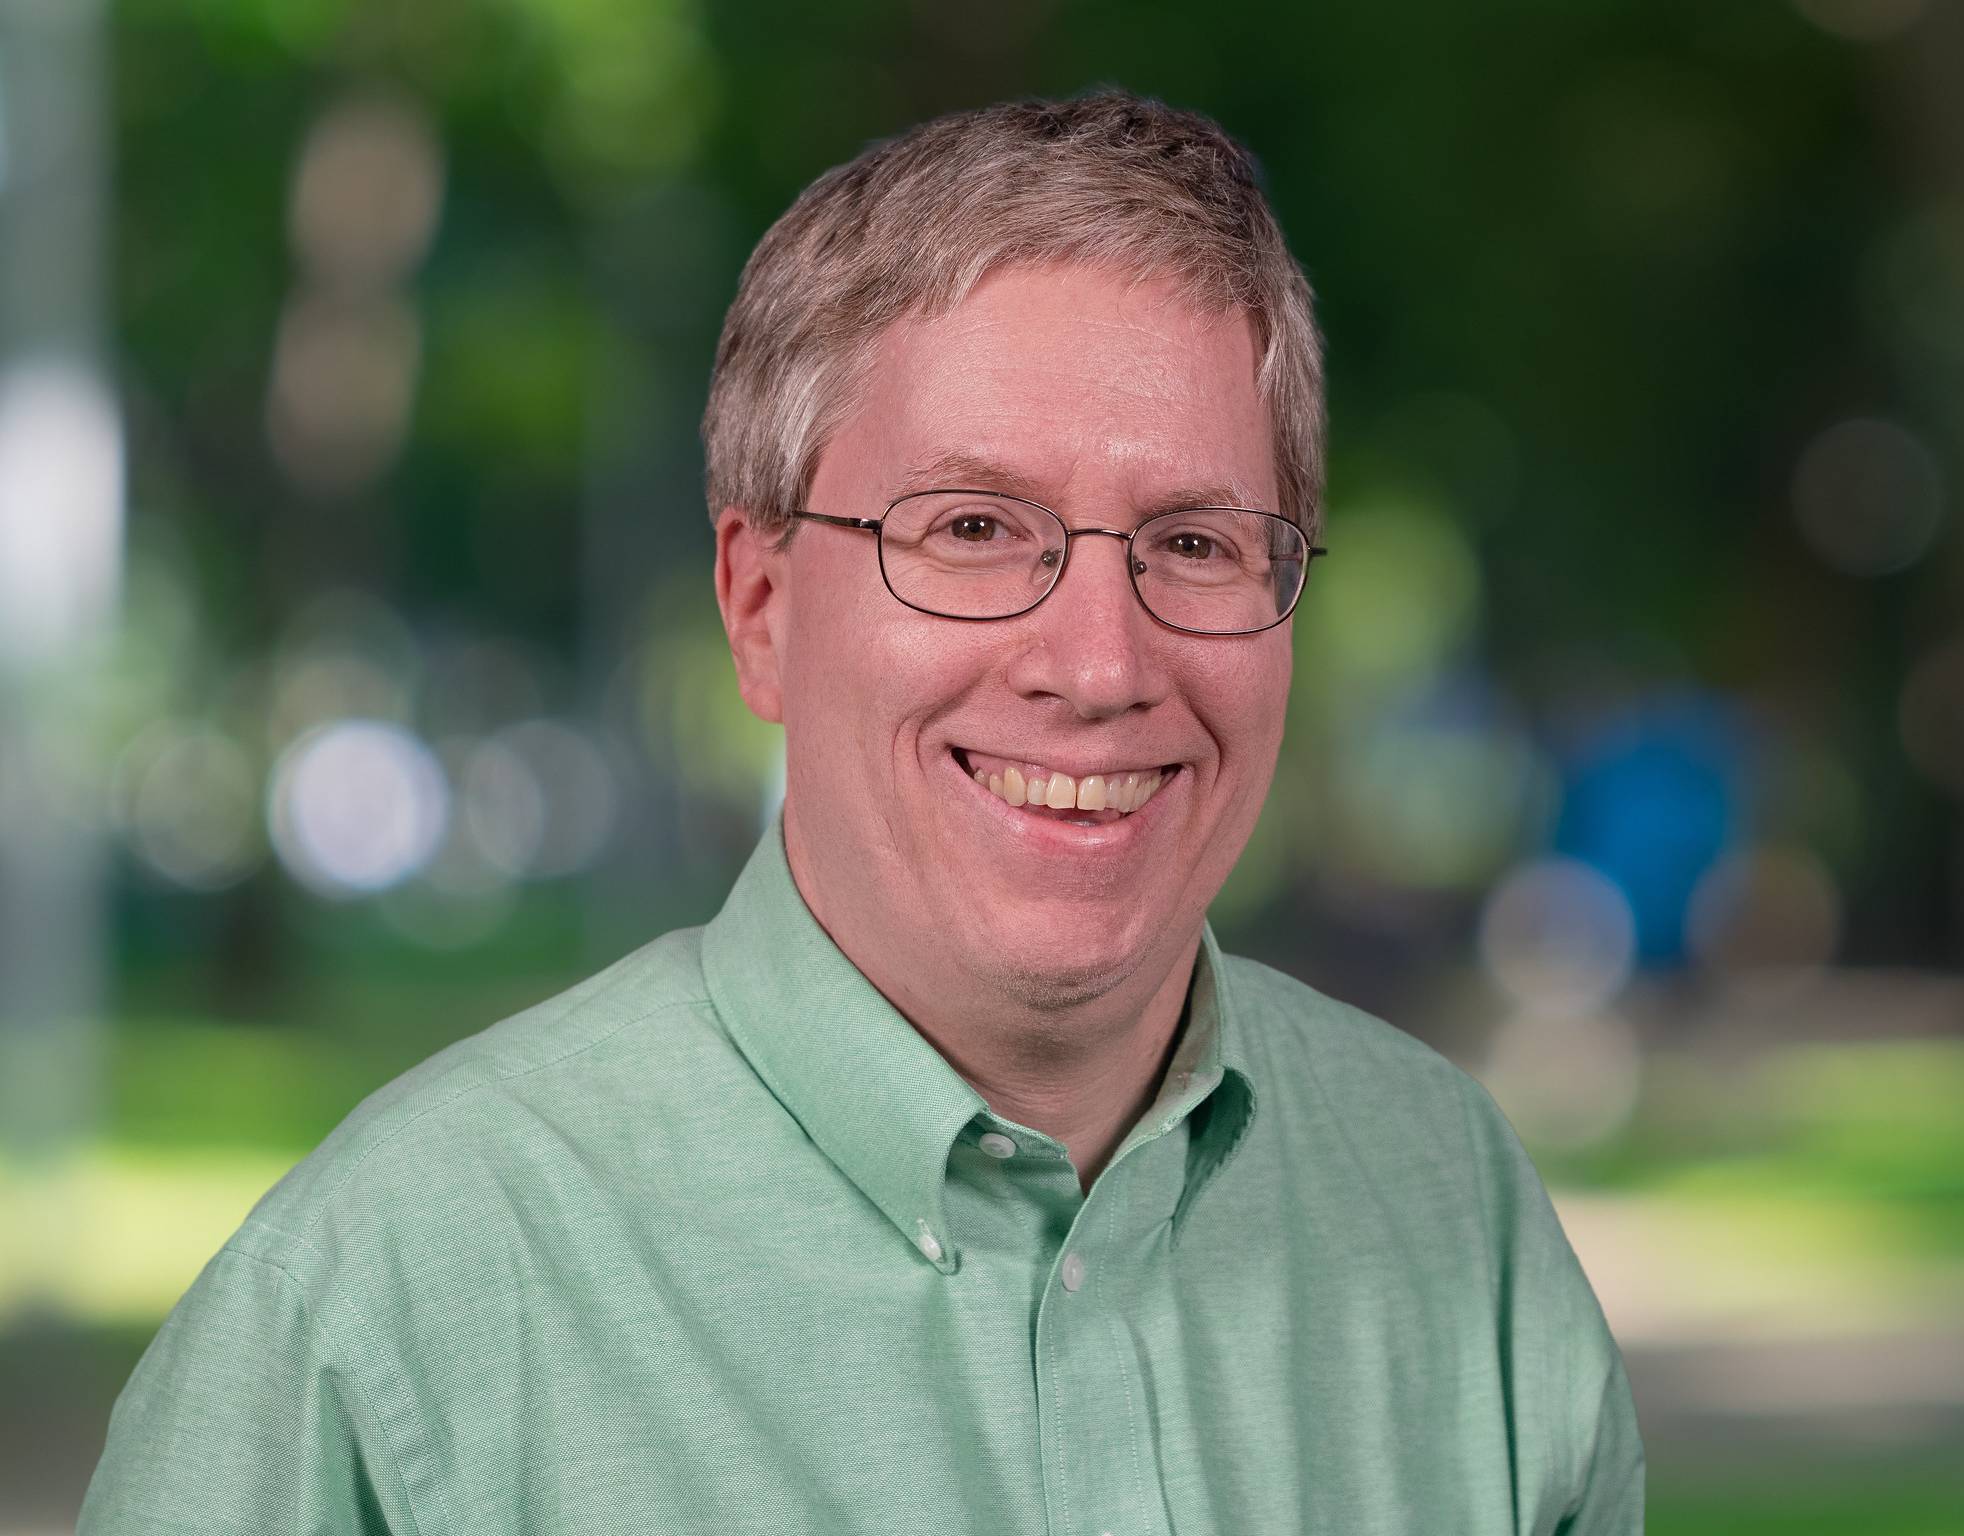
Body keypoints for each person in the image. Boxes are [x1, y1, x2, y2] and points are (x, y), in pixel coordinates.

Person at [80, 92, 1644, 1534]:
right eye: (971, 527)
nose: (1099, 665)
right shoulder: (379, 1313)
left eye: (1196, 541)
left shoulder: (1453, 1208)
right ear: (759, 607)